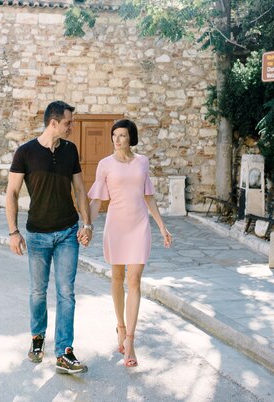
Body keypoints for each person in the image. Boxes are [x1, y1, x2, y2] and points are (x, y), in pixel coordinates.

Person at [6, 100, 93, 375]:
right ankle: (37, 338)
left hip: (68, 231)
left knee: (67, 293)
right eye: (68, 122)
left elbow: (80, 189)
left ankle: (64, 352)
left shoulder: (70, 150)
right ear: (53, 123)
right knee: (38, 291)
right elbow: (11, 193)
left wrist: (87, 223)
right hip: (37, 234)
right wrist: (13, 231)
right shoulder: (26, 152)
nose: (72, 127)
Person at [88, 119, 172, 368]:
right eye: (114, 135)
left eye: (122, 135)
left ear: (130, 138)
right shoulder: (105, 165)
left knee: (134, 280)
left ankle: (131, 341)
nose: (117, 139)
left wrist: (161, 226)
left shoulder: (142, 162)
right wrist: (87, 225)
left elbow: (149, 196)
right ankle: (121, 328)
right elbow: (96, 202)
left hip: (139, 226)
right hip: (116, 227)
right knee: (116, 278)